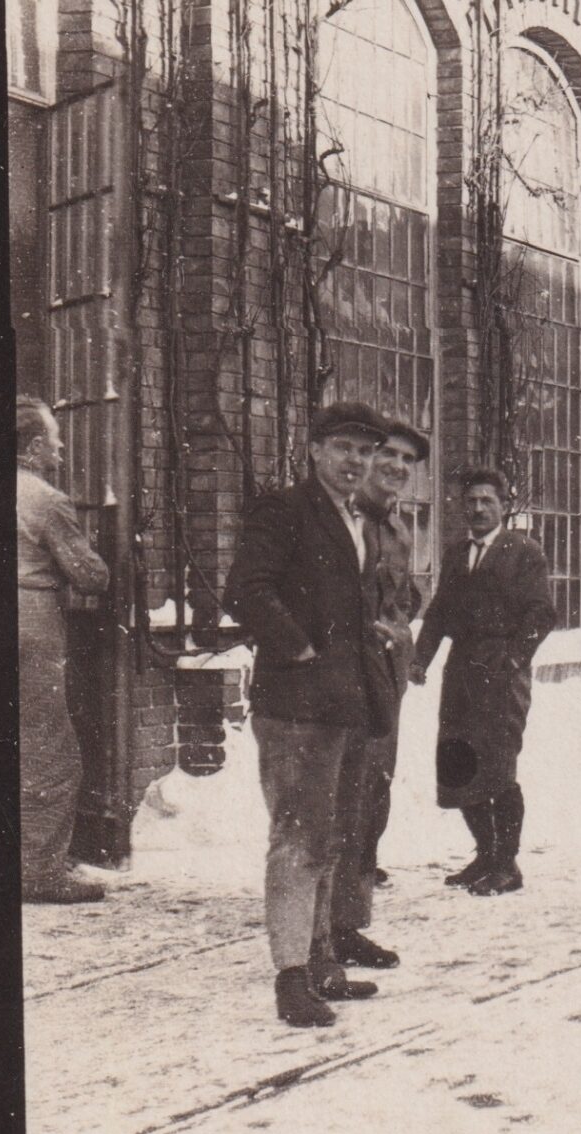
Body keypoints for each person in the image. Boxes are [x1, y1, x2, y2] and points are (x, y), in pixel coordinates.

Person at [222, 401, 398, 1028]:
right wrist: (296, 644)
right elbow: (245, 588)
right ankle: (291, 978)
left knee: (330, 838)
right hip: (297, 706)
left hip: (346, 705)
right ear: (315, 450)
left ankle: (323, 961)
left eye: (366, 451)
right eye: (345, 448)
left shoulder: (359, 519)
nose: (357, 461)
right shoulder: (285, 509)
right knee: (298, 840)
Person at [412, 468, 556, 897]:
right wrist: (421, 659)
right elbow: (438, 612)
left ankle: (506, 864)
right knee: (459, 762)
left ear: (503, 506)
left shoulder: (523, 552)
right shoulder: (457, 554)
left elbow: (541, 614)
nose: (477, 509)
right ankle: (485, 853)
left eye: (486, 501)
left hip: (501, 672)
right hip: (460, 670)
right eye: (471, 501)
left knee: (497, 763)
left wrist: (514, 658)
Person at [330, 420, 428, 970]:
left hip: (385, 684)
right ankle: (328, 928)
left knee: (371, 799)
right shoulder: (345, 524)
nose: (395, 466)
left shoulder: (396, 531)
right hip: (346, 680)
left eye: (407, 460)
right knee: (343, 801)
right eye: (387, 454)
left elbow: (402, 596)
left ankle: (349, 921)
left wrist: (402, 623)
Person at [17, 399, 112, 904]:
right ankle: (38, 870)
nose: (59, 444)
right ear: (33, 448)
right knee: (49, 750)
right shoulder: (46, 499)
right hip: (29, 622)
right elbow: (89, 575)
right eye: (53, 437)